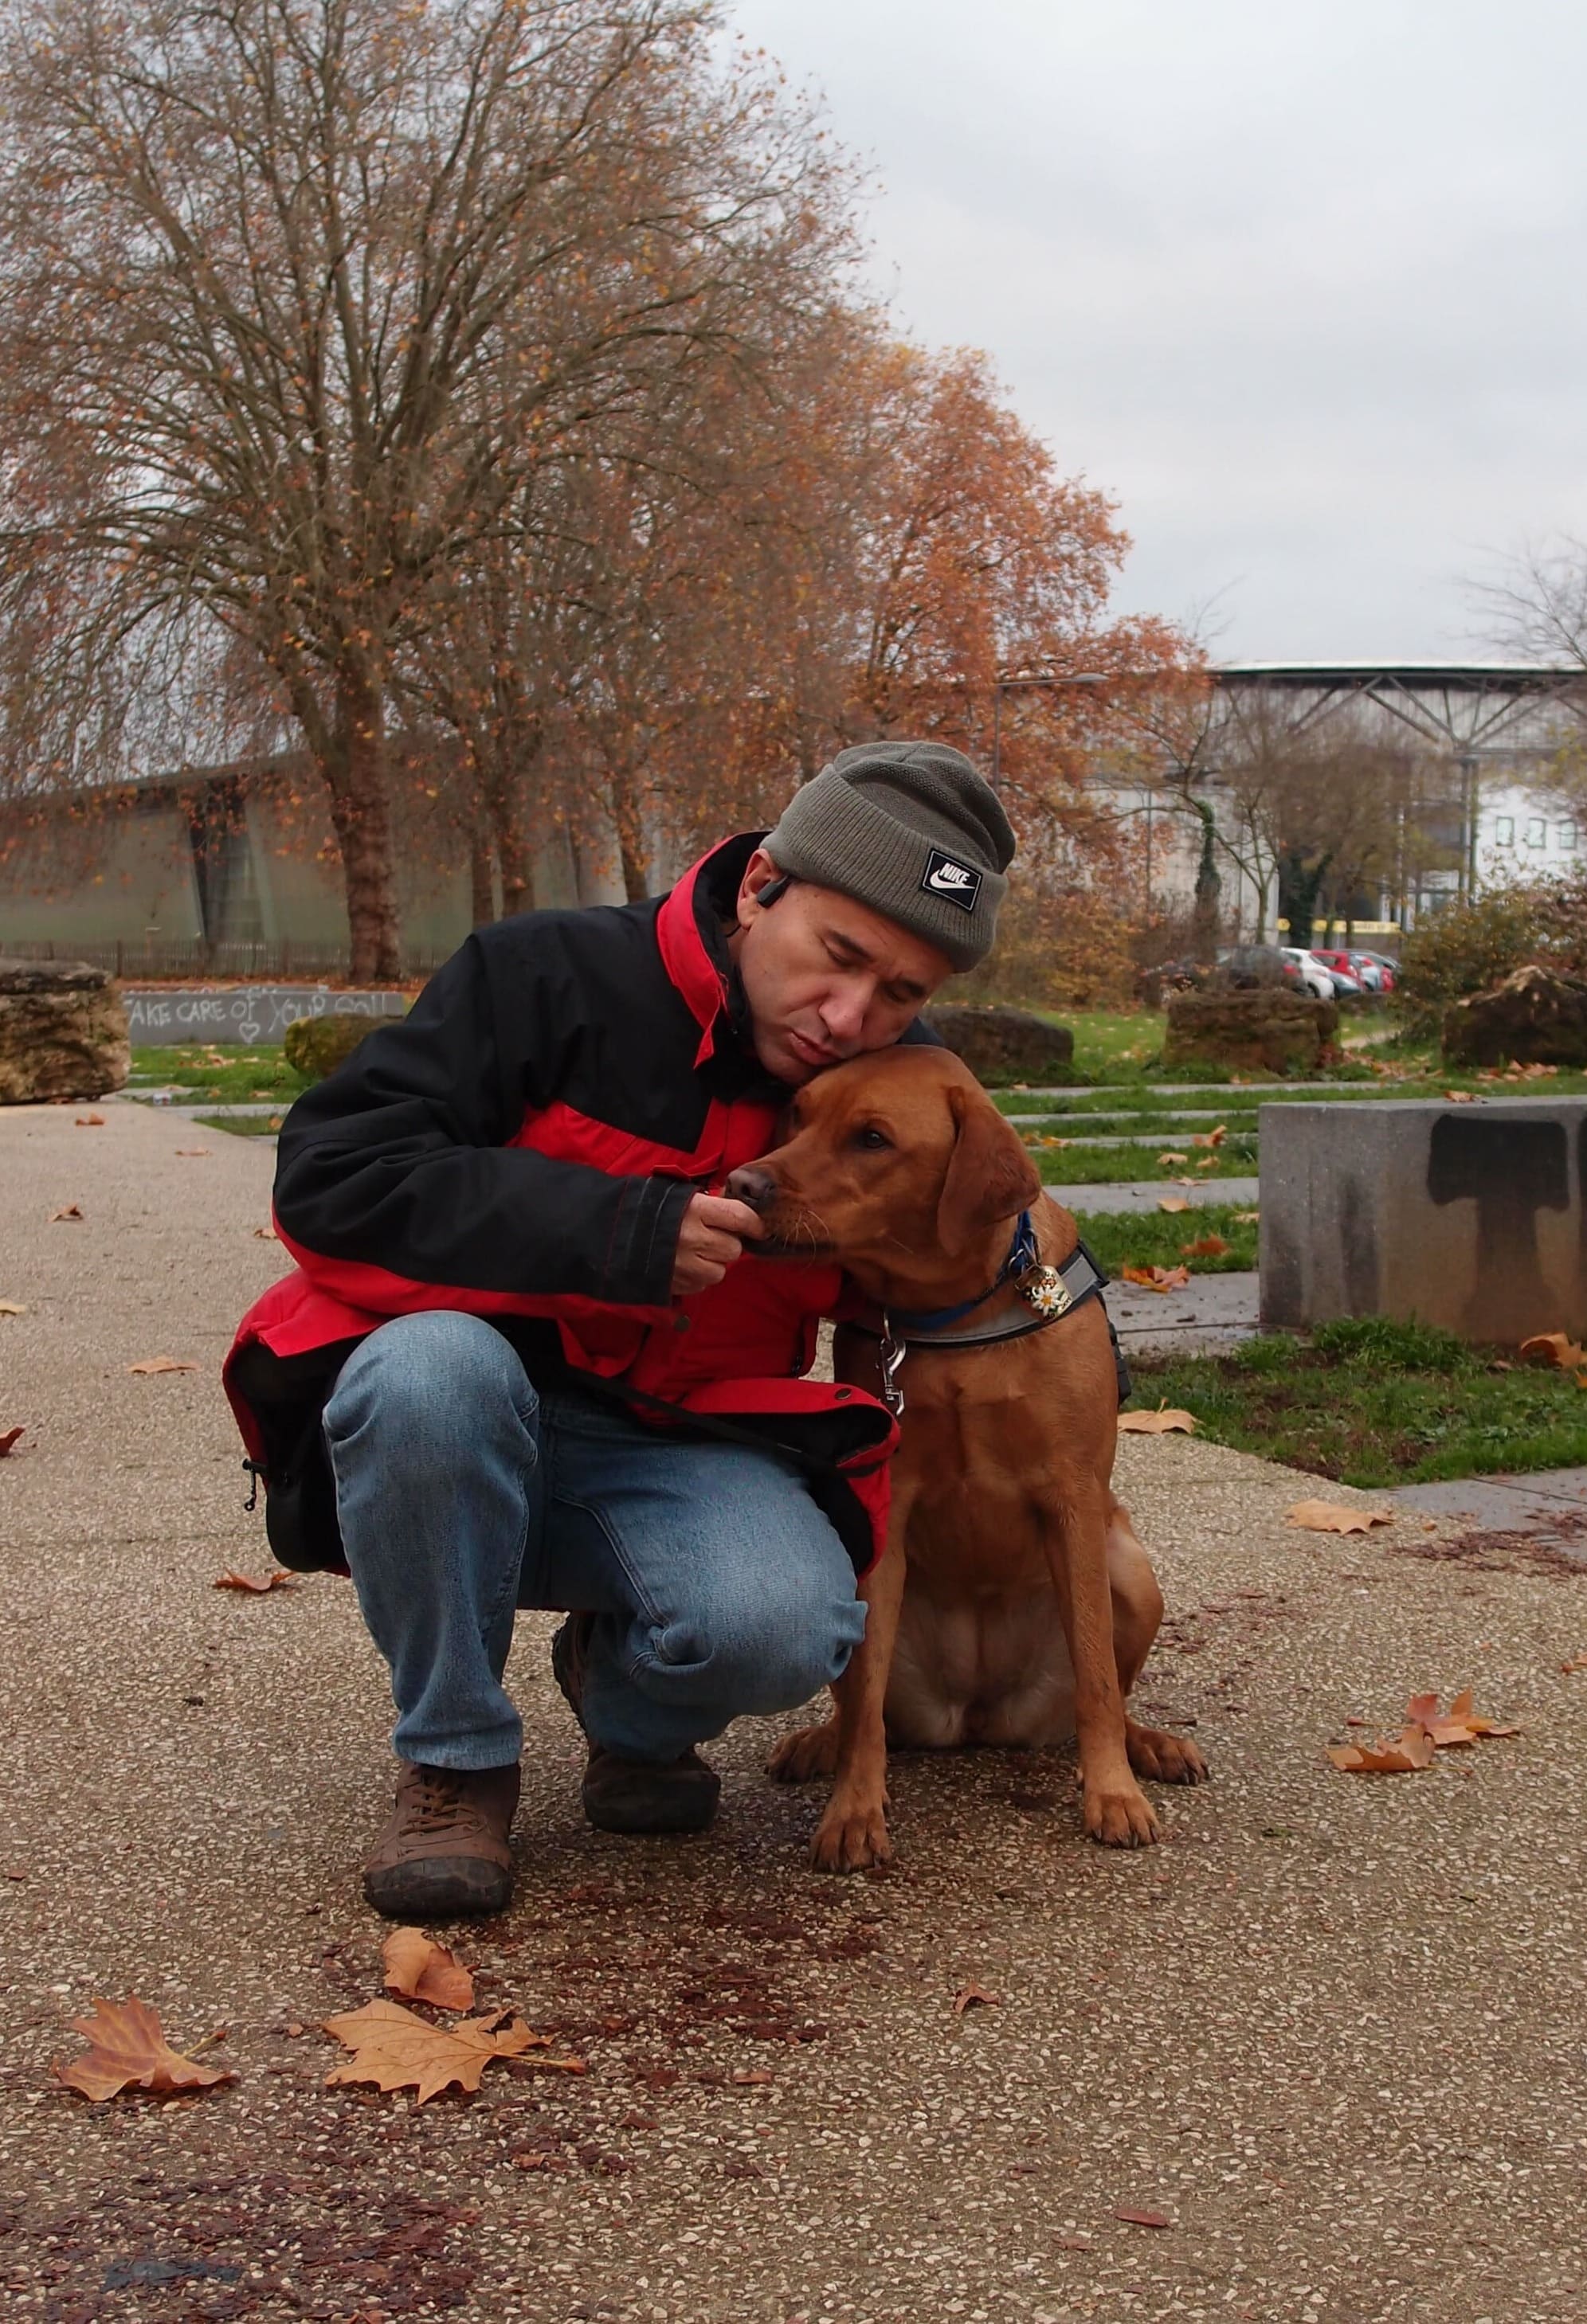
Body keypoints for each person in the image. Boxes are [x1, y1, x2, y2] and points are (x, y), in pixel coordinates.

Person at [223, 741, 1015, 1918]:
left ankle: (629, 1706)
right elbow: (331, 1179)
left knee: (787, 1622)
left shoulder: (884, 1090)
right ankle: (453, 1761)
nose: (852, 1016)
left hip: (679, 1444)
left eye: (900, 993)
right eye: (837, 956)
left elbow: (954, 1260)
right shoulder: (544, 975)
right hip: (458, 1435)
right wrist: (614, 1230)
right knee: (429, 1372)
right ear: (760, 890)